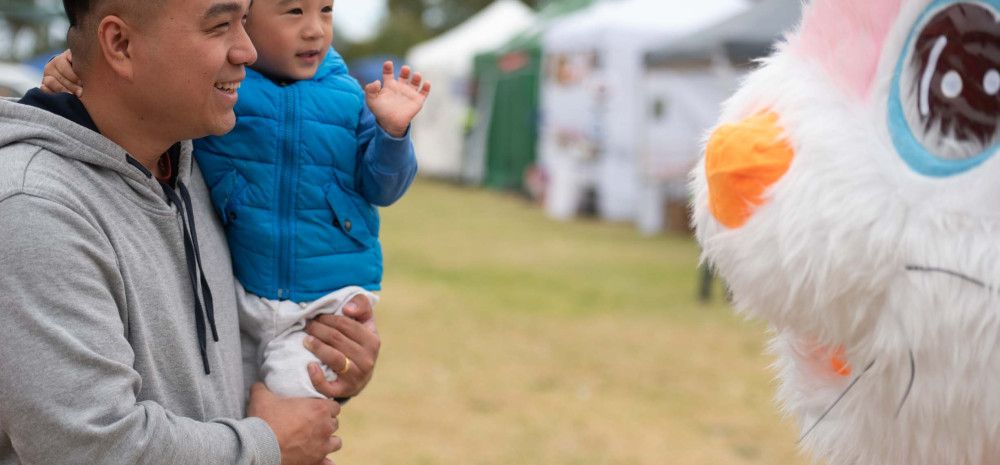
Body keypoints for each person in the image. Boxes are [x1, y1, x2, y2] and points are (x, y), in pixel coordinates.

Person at [0, 0, 380, 463]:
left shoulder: (197, 164)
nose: (248, 50)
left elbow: (208, 390)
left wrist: (317, 367)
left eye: (245, 21)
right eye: (220, 25)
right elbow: (90, 446)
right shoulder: (35, 208)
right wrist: (270, 446)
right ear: (120, 44)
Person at [45, 0, 429, 399]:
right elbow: (143, 85)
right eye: (294, 12)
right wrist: (77, 71)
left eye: (327, 11)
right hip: (243, 295)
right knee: (240, 405)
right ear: (249, 20)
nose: (315, 29)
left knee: (296, 402)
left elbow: (384, 187)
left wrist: (393, 135)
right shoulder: (223, 91)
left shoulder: (350, 97)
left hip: (324, 299)